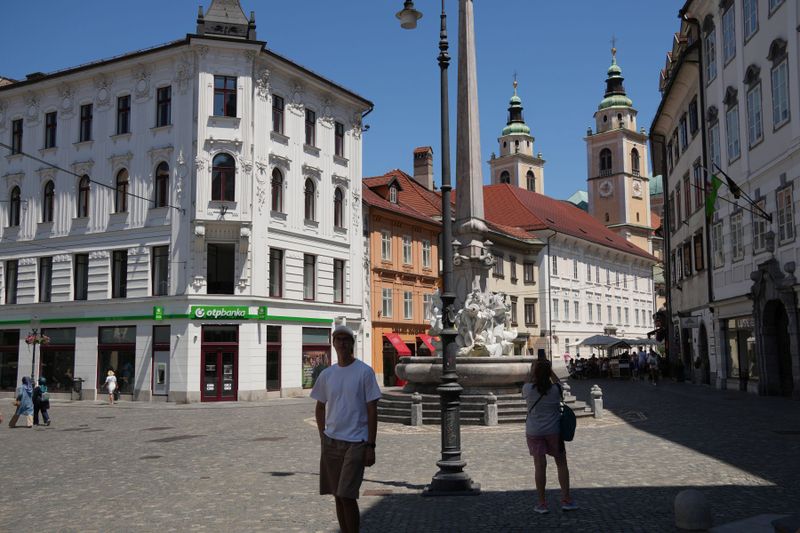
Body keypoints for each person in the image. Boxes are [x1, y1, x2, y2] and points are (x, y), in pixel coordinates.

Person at [311, 325, 381, 533]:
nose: (342, 343)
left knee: (347, 495)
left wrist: (371, 445)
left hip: (357, 442)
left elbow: (372, 410)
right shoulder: (327, 374)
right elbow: (320, 407)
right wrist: (323, 436)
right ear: (333, 344)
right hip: (332, 441)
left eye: (346, 339)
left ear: (352, 343)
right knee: (337, 495)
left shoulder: (364, 372)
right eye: (338, 339)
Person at [522, 359, 578, 514]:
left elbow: (528, 381)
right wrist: (549, 371)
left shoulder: (527, 389)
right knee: (561, 464)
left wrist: (533, 372)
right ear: (549, 373)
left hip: (534, 431)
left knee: (540, 466)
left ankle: (542, 503)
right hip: (554, 431)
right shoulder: (556, 389)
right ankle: (566, 500)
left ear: (534, 372)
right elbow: (558, 382)